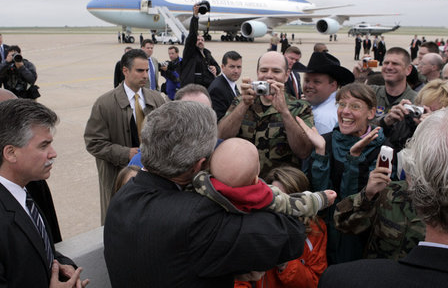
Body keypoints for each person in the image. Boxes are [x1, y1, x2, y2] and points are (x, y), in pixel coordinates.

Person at [104, 101, 307, 287]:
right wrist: (248, 185)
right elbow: (291, 235)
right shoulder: (198, 217)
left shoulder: (123, 196)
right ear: (201, 164)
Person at [319, 104, 448, 288]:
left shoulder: (343, 280)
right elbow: (344, 222)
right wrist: (368, 194)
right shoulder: (390, 193)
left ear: (414, 184)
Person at [297, 83, 391, 264]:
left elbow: (353, 209)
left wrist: (353, 160)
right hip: (325, 237)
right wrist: (321, 153)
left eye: (355, 106)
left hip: (358, 239)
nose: (345, 111)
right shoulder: (325, 141)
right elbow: (321, 198)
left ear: (371, 113)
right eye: (341, 104)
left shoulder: (382, 150)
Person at [0, 99, 89, 288]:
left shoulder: (25, 193)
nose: (53, 153)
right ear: (10, 153)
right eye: (43, 146)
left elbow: (39, 249)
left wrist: (63, 265)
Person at [84, 49, 165, 223]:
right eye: (140, 71)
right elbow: (93, 142)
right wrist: (125, 153)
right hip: (118, 176)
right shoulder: (104, 103)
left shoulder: (157, 99)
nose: (145, 75)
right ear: (125, 71)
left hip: (153, 174)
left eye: (146, 70)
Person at [218, 51, 313, 175]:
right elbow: (221, 136)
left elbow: (303, 151)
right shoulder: (242, 101)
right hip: (243, 178)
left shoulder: (300, 107)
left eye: (276, 71)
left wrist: (285, 112)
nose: (269, 76)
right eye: (263, 70)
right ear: (257, 73)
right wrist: (243, 105)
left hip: (278, 184)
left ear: (286, 75)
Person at [235, 166, 330, 288]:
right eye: (278, 201)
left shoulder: (315, 229)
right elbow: (237, 280)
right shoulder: (252, 224)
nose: (283, 208)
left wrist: (285, 260)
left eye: (289, 201)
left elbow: (314, 282)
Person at [193, 138, 335, 218]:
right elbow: (293, 204)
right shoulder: (262, 197)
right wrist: (320, 199)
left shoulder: (200, 184)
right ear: (256, 178)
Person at [333, 153, 425, 260]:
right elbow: (341, 222)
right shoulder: (389, 191)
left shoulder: (446, 211)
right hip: (375, 274)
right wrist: (368, 196)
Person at [380, 79, 448, 154]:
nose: (425, 115)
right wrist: (385, 124)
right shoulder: (405, 122)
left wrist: (431, 130)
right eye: (423, 110)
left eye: (433, 112)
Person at [293, 51, 354, 134]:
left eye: (316, 82)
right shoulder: (339, 104)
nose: (309, 86)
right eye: (307, 80)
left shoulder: (321, 118)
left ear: (333, 85)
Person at [368, 47, 417, 122]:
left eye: (395, 64)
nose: (389, 67)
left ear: (408, 69)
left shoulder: (416, 100)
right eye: (386, 63)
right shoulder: (370, 93)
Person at [180, 3, 221, 88]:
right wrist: (195, 16)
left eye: (202, 40)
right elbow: (192, 34)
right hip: (192, 88)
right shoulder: (190, 52)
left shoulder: (207, 53)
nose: (200, 41)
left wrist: (216, 69)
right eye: (198, 40)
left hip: (206, 88)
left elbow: (218, 67)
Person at [208, 51, 243, 121]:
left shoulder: (230, 82)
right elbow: (219, 121)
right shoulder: (217, 89)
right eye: (232, 67)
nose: (236, 71)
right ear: (223, 67)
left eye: (239, 67)